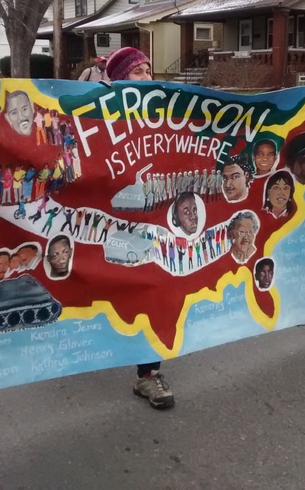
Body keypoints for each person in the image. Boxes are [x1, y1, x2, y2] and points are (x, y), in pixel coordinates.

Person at [106, 46, 174, 409]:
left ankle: (148, 375)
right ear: (118, 80)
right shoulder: (96, 118)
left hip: (152, 225)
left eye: (149, 71)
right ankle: (73, 352)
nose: (147, 79)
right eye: (138, 73)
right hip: (107, 226)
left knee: (153, 290)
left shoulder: (165, 115)